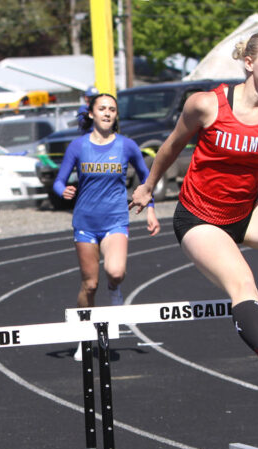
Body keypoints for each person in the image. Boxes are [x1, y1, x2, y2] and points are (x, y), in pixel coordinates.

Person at [129, 31, 258, 449]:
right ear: (249, 63)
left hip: (248, 212)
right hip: (200, 219)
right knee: (243, 283)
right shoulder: (206, 104)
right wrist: (148, 186)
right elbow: (172, 145)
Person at [55, 93, 160, 361]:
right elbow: (58, 181)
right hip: (85, 223)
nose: (107, 113)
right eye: (102, 108)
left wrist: (150, 208)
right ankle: (84, 338)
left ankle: (115, 290)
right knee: (90, 285)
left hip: (115, 219)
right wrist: (62, 190)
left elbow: (147, 179)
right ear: (91, 113)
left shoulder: (126, 145)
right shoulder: (78, 146)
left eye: (112, 109)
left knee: (115, 272)